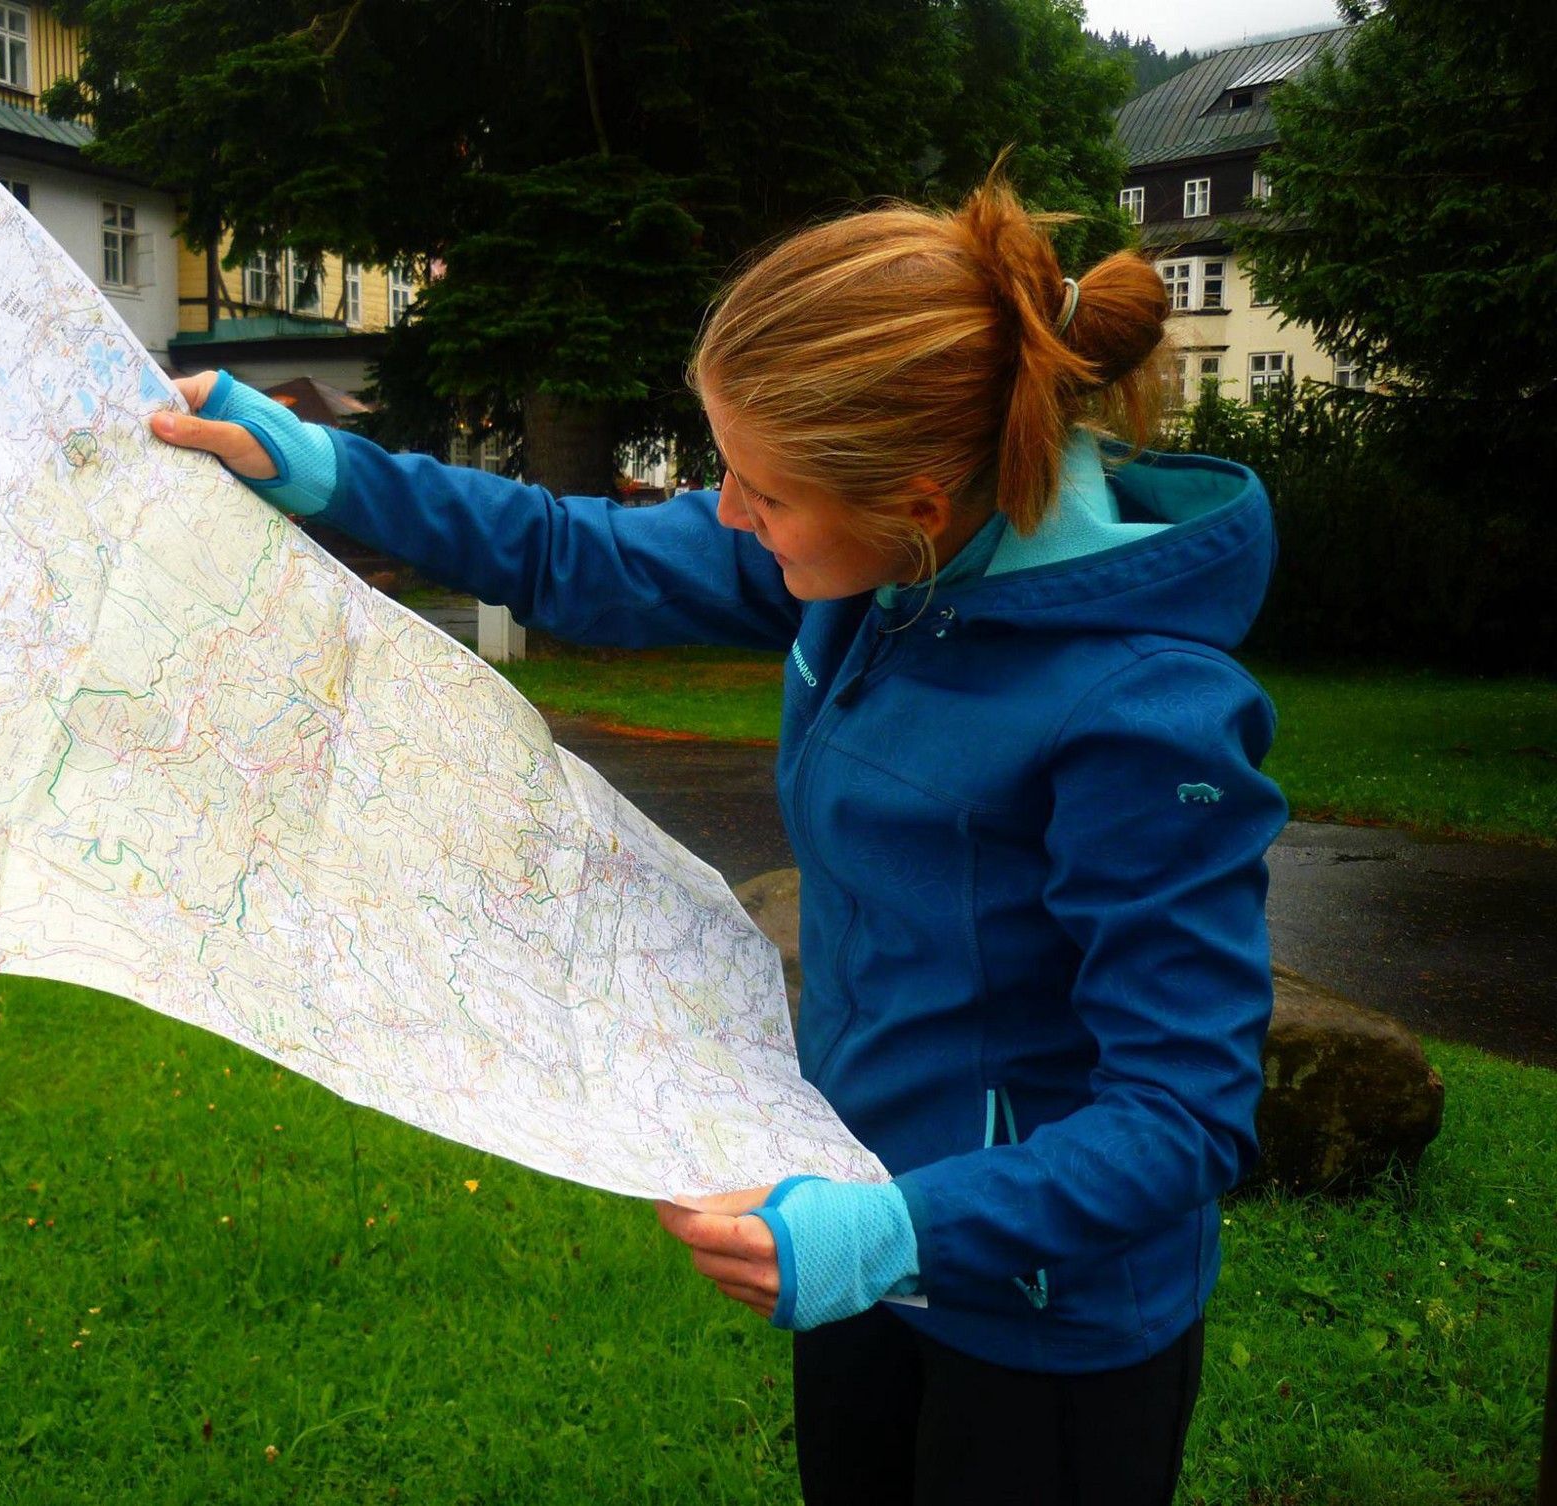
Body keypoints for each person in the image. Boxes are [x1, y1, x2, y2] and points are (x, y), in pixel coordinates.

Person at [148, 167, 1288, 1506]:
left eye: (757, 489)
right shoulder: (887, 568)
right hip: (857, 1224)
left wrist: (899, 1227)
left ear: (916, 503)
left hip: (1051, 1323)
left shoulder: (1145, 716)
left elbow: (1182, 1116)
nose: (728, 515)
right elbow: (585, 553)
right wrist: (333, 470)